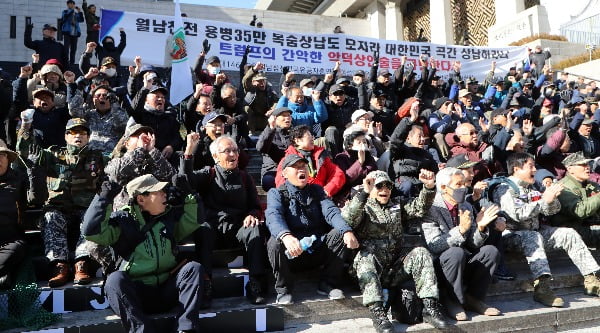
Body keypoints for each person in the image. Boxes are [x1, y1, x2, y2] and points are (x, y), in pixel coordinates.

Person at [82, 174, 205, 333]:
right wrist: (103, 198)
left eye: (163, 191)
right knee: (114, 281)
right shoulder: (122, 221)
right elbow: (91, 231)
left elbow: (195, 219)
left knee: (193, 269)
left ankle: (186, 329)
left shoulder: (167, 217)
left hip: (165, 289)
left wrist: (189, 193)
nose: (164, 194)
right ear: (141, 199)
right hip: (136, 295)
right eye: (158, 192)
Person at [342, 170, 450, 331]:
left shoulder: (397, 205)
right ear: (371, 187)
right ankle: (378, 314)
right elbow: (348, 219)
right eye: (379, 186)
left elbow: (419, 208)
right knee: (365, 258)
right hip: (369, 270)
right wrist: (364, 192)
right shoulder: (362, 205)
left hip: (394, 268)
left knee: (421, 253)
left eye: (388, 185)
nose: (384, 189)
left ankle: (430, 307)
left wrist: (428, 187)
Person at [493, 152, 600, 307]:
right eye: (531, 166)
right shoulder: (504, 189)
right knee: (532, 237)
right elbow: (516, 215)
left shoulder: (534, 186)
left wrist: (552, 199)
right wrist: (543, 202)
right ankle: (542, 288)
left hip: (536, 231)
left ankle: (592, 280)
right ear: (516, 169)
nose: (535, 170)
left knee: (568, 233)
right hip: (512, 236)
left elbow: (552, 211)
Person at [19, 118, 107, 287]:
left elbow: (117, 161)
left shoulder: (97, 157)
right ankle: (60, 266)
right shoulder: (52, 155)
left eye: (82, 133)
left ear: (88, 137)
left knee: (92, 218)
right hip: (58, 208)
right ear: (66, 136)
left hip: (84, 209)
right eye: (73, 132)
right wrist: (26, 126)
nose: (78, 136)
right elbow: (26, 150)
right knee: (51, 218)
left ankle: (82, 264)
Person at [181, 135, 268, 306]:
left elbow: (256, 206)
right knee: (203, 229)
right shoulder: (209, 173)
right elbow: (186, 180)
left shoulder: (245, 177)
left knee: (255, 229)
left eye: (235, 150)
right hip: (214, 227)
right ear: (216, 156)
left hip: (238, 227)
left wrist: (252, 215)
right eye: (227, 151)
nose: (232, 154)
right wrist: (189, 152)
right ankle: (206, 284)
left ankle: (255, 283)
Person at [265, 154, 359, 304]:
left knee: (340, 233)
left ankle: (328, 284)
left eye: (303, 166)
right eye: (295, 167)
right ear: (284, 174)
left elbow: (331, 212)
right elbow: (273, 216)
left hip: (317, 249)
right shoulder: (276, 193)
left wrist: (346, 230)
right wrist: (286, 236)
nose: (301, 170)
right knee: (274, 242)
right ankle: (284, 289)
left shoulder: (317, 190)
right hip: (292, 252)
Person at [422, 167, 501, 321]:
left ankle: (473, 299)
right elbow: (434, 245)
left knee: (490, 251)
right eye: (458, 184)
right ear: (444, 188)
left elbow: (473, 243)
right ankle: (452, 300)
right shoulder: (431, 208)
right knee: (455, 253)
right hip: (439, 265)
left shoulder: (465, 206)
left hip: (462, 261)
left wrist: (480, 227)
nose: (464, 188)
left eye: (464, 184)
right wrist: (460, 230)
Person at [274, 125, 345, 198]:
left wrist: (327, 190)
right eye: (308, 136)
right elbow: (280, 182)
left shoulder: (321, 155)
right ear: (297, 140)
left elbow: (338, 174)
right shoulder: (287, 160)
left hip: (322, 196)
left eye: (312, 136)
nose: (312, 138)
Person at [552, 152, 600, 247]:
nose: (587, 167)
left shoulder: (592, 185)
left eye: (587, 164)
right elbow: (579, 211)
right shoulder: (563, 187)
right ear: (570, 169)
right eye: (582, 165)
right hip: (572, 231)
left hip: (590, 226)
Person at [129, 77, 183, 161]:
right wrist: (145, 88)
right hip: (143, 157)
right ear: (146, 100)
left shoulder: (169, 117)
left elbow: (177, 137)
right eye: (157, 96)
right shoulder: (141, 115)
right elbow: (134, 108)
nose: (160, 99)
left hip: (164, 158)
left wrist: (171, 146)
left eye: (163, 97)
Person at [68, 84, 128, 153]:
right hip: (90, 154)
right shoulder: (89, 114)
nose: (101, 97)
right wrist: (79, 90)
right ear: (93, 100)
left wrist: (114, 104)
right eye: (98, 95)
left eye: (105, 96)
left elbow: (122, 125)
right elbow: (74, 112)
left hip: (110, 156)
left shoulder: (119, 113)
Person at [0, 140, 27, 290]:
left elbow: (37, 198)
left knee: (14, 251)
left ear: (8, 159)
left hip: (10, 241)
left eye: (2, 155)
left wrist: (35, 171)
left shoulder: (19, 179)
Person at [256, 107, 293, 191]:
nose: (287, 118)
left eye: (289, 115)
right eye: (283, 116)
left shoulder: (295, 133)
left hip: (292, 170)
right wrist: (271, 128)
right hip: (273, 170)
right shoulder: (268, 132)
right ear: (275, 119)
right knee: (269, 181)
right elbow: (260, 148)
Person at [60, 0, 84, 65]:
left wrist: (79, 12)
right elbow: (65, 17)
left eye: (73, 4)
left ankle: (72, 63)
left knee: (73, 49)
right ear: (67, 5)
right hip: (67, 33)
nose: (72, 5)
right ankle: (66, 62)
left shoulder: (75, 14)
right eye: (70, 4)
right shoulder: (65, 12)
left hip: (75, 33)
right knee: (66, 48)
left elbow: (81, 20)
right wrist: (72, 10)